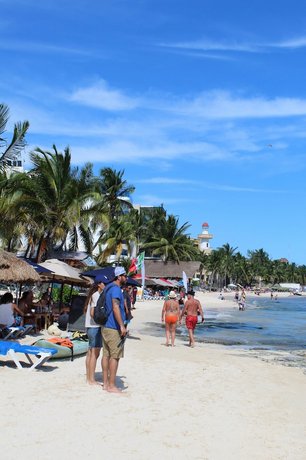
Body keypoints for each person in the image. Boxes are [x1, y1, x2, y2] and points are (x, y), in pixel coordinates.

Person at [102, 266, 127, 393]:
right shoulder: (116, 289)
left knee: (106, 355)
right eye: (124, 275)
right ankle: (111, 385)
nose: (126, 278)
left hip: (105, 326)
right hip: (113, 327)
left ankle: (106, 383)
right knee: (115, 356)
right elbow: (115, 307)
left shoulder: (107, 288)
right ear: (119, 277)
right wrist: (122, 326)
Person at [84, 276, 105, 385]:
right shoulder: (97, 296)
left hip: (90, 326)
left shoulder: (94, 295)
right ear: (99, 284)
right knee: (94, 354)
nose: (105, 285)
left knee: (90, 352)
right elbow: (93, 313)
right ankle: (91, 379)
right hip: (95, 327)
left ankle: (89, 377)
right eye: (104, 283)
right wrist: (101, 322)